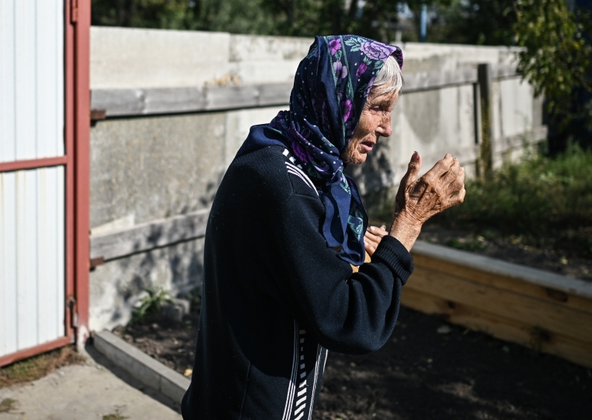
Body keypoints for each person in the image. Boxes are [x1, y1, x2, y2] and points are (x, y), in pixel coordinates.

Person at [181, 35, 466, 420]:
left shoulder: (274, 155)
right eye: (379, 108)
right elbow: (353, 322)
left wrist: (346, 256)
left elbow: (293, 271)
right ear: (340, 100)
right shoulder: (286, 190)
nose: (387, 128)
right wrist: (409, 222)